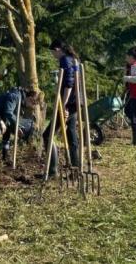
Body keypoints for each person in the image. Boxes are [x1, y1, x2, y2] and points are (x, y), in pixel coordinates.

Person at [43, 39, 80, 177]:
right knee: (71, 134)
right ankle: (76, 168)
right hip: (76, 103)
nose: (53, 55)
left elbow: (69, 84)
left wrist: (63, 105)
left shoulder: (65, 60)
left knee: (47, 135)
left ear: (57, 49)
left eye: (53, 52)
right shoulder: (73, 59)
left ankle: (52, 171)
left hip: (69, 103)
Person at [0, 87, 41, 161]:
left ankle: (5, 154)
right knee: (27, 125)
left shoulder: (20, 99)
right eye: (33, 104)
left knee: (9, 124)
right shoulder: (16, 96)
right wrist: (17, 126)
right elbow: (8, 112)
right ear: (30, 99)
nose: (32, 107)